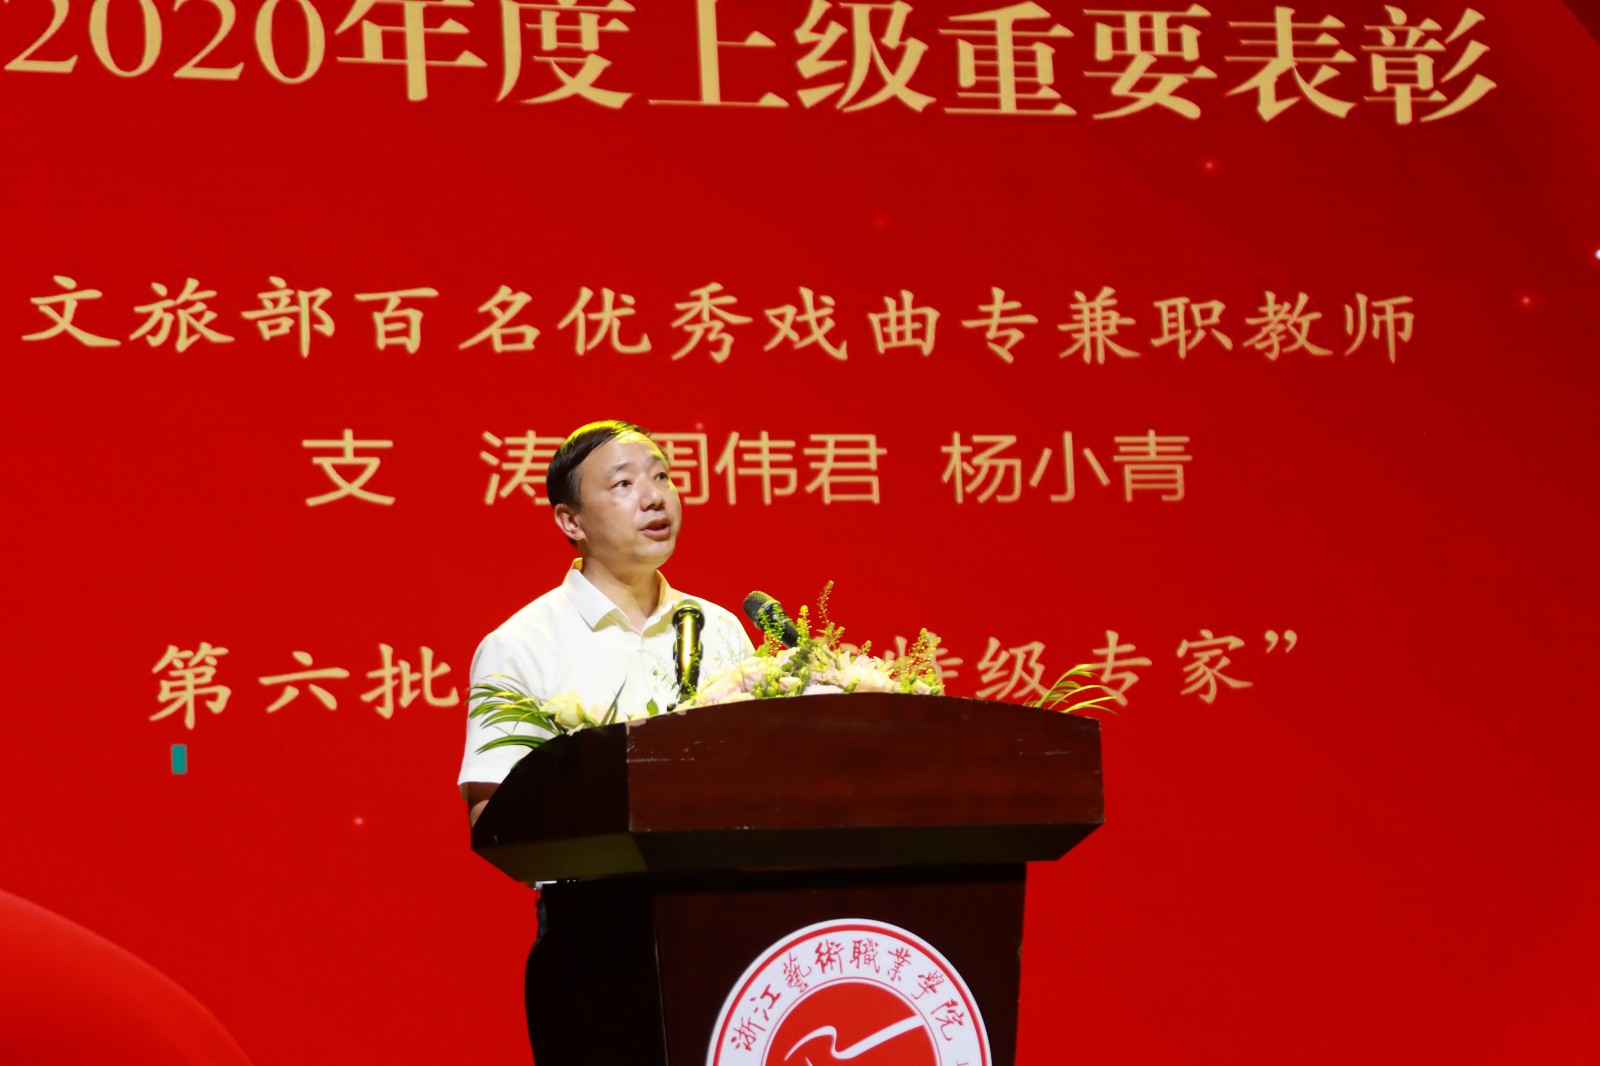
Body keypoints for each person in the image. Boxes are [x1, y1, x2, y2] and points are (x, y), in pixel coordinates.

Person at [457, 419, 753, 1063]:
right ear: (571, 521)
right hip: (595, 944)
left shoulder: (721, 629)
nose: (654, 497)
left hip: (727, 929)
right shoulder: (523, 644)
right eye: (623, 484)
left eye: (662, 477)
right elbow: (492, 816)